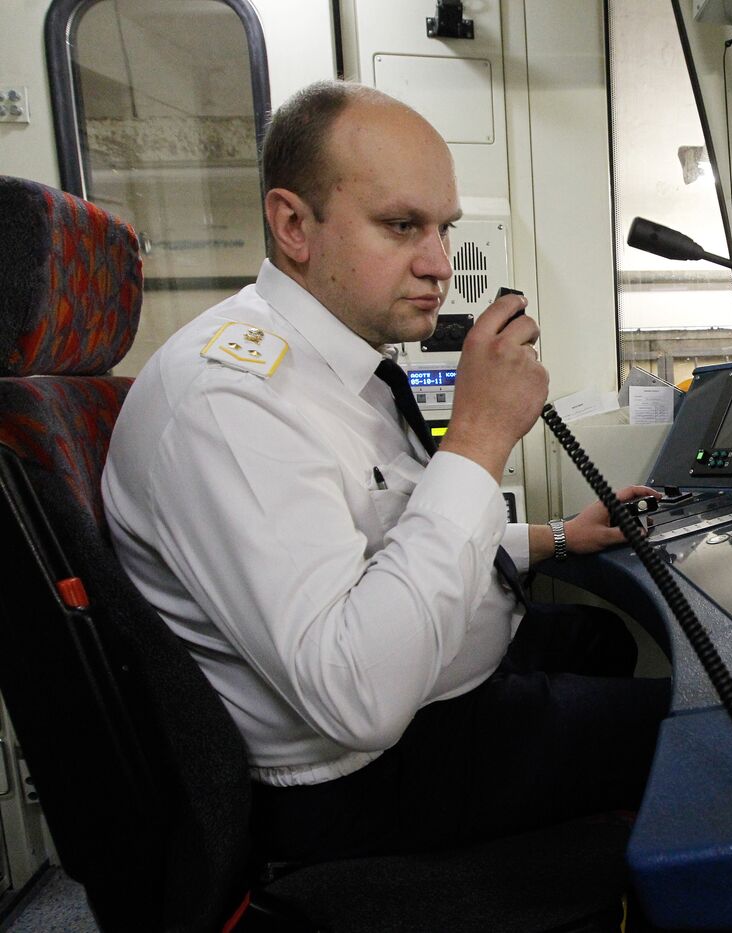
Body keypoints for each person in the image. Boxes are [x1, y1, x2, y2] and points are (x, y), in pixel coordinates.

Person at [101, 80, 669, 862]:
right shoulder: (228, 397)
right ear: (294, 225)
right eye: (402, 226)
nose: (440, 264)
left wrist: (551, 537)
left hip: (433, 679)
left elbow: (379, 531)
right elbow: (357, 694)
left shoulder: (333, 360)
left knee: (601, 637)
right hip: (361, 774)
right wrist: (477, 439)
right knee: (705, 731)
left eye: (444, 228)